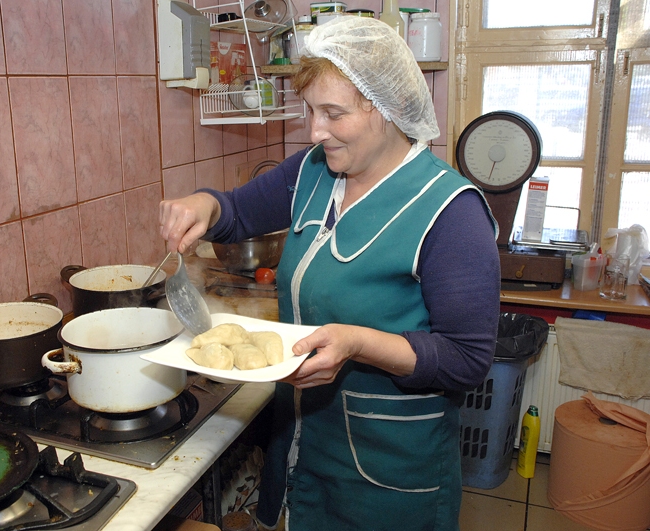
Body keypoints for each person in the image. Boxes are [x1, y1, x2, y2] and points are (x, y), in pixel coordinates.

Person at [158, 16, 500, 531]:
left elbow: (467, 358)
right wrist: (203, 205)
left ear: (386, 110)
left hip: (390, 471)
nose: (315, 131)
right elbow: (239, 212)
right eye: (311, 111)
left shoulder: (450, 212)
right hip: (301, 443)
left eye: (333, 113)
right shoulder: (315, 170)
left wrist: (358, 343)